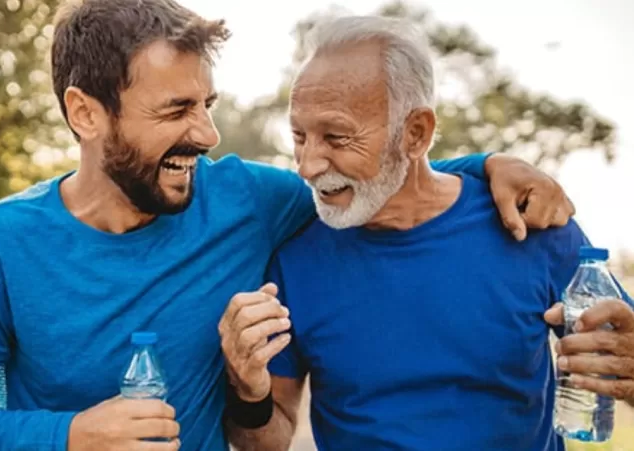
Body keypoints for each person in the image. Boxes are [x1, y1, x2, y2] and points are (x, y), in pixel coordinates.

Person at [0, 2, 575, 451]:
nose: (206, 133)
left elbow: (378, 177)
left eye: (207, 104)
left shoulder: (248, 201)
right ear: (86, 114)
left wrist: (491, 165)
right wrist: (70, 435)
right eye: (176, 110)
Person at [219, 15, 634, 451]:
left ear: (415, 134)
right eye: (300, 136)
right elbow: (265, 441)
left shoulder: (532, 224)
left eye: (337, 138)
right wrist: (249, 393)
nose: (307, 165)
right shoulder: (294, 259)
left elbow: (619, 359)